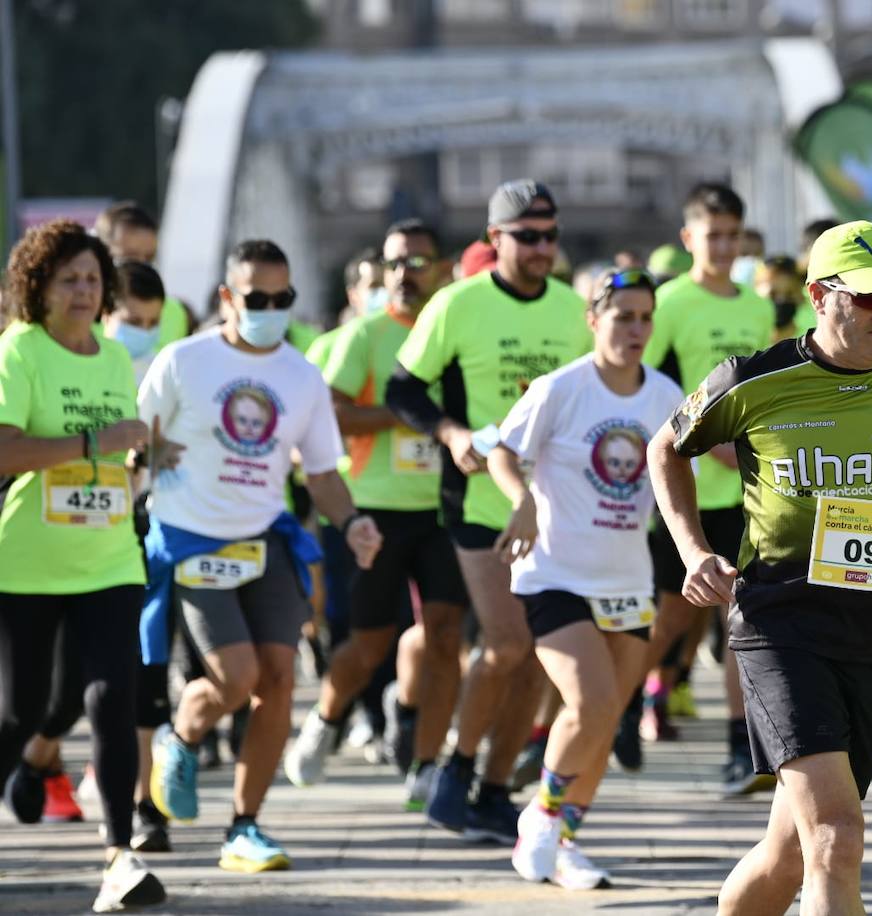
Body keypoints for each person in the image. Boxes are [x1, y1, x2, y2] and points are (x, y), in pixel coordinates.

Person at [650, 220, 872, 913]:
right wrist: (694, 550)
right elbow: (667, 449)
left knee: (790, 855)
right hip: (781, 623)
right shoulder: (755, 379)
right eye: (869, 298)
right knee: (838, 838)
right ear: (818, 295)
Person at [142, 240, 383, 873]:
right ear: (228, 297)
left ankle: (244, 829)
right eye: (257, 299)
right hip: (192, 538)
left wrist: (354, 522)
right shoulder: (182, 360)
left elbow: (324, 471)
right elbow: (136, 440)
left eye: (283, 299)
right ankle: (182, 733)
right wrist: (143, 463)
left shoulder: (301, 374)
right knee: (236, 676)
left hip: (266, 537)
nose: (270, 310)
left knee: (278, 679)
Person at [387, 178, 590, 842]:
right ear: (493, 239)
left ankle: (495, 790)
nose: (541, 249)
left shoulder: (571, 307)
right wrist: (449, 434)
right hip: (478, 502)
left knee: (537, 659)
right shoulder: (458, 304)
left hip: (556, 504)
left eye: (550, 236)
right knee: (506, 642)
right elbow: (402, 388)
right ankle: (453, 768)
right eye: (527, 236)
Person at [494, 268, 683, 889]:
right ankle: (542, 818)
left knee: (608, 716)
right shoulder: (560, 389)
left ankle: (564, 838)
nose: (635, 329)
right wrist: (521, 498)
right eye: (623, 316)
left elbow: (699, 459)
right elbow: (502, 448)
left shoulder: (663, 394)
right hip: (555, 574)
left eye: (644, 317)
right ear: (593, 319)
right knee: (591, 702)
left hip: (628, 579)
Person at [0, 219, 166, 912]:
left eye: (93, 279)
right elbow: (6, 452)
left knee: (110, 697)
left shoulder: (110, 357)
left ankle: (119, 859)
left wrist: (131, 461)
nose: (82, 290)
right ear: (37, 286)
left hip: (108, 555)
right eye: (68, 278)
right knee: (22, 710)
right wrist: (95, 439)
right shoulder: (19, 350)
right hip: (29, 562)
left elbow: (117, 450)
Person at [284, 219, 466, 813]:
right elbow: (330, 419)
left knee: (443, 637)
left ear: (441, 269)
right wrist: (411, 413)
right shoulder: (364, 335)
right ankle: (327, 714)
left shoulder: (456, 330)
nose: (403, 275)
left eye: (417, 262)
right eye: (394, 263)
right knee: (368, 644)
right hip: (376, 510)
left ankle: (426, 762)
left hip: (445, 508)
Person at [640, 182, 775, 792]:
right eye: (711, 235)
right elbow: (648, 387)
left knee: (738, 619)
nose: (722, 247)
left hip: (749, 492)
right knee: (671, 621)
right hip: (688, 488)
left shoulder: (755, 304)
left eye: (732, 236)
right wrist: (703, 443)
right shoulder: (667, 303)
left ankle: (737, 746)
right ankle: (626, 700)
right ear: (688, 238)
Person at [94, 201, 193, 352]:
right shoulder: (81, 309)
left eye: (149, 258)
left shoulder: (174, 312)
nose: (141, 265)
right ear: (100, 254)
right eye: (129, 257)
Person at [754, 255, 817, 341]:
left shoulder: (813, 338)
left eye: (789, 294)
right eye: (773, 294)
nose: (781, 300)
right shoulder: (746, 337)